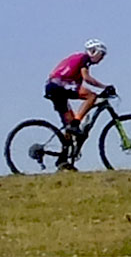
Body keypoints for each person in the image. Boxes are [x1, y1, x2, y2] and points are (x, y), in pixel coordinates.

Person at [44, 39, 110, 171]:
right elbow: (86, 78)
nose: (102, 58)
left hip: (52, 86)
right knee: (91, 96)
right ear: (94, 51)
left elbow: (78, 82)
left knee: (68, 126)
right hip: (59, 84)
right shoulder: (84, 58)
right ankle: (76, 123)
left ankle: (62, 160)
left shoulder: (79, 59)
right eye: (101, 55)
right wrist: (105, 87)